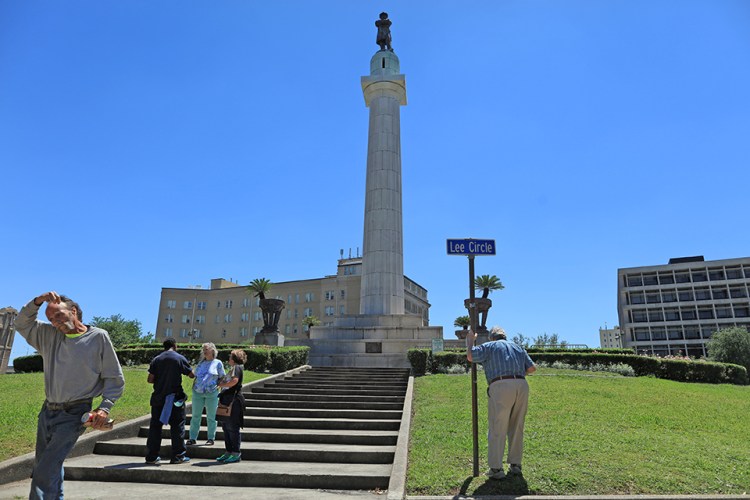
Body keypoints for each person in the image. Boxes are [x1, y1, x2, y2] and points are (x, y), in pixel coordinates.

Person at [14, 291, 125, 499]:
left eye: (59, 316)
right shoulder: (48, 336)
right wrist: (38, 301)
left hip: (75, 413)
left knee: (45, 470)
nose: (55, 323)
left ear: (73, 311)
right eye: (50, 319)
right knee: (49, 465)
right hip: (47, 411)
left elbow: (114, 376)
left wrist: (104, 406)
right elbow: (20, 323)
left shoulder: (98, 337)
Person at [467, 326, 536, 480]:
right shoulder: (518, 347)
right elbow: (532, 368)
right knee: (517, 426)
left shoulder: (489, 346)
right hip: (521, 384)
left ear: (492, 337)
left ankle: (496, 468)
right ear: (504, 336)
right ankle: (516, 465)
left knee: (498, 426)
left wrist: (470, 340)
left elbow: (471, 356)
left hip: (500, 385)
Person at [145, 338, 194, 464]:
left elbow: (150, 379)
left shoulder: (157, 359)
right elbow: (191, 374)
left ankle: (152, 456)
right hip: (175, 398)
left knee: (155, 427)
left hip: (158, 398)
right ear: (175, 345)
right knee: (177, 426)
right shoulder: (179, 358)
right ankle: (178, 456)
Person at [186, 342, 225, 446]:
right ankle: (192, 438)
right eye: (203, 350)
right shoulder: (201, 363)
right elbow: (193, 375)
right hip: (197, 392)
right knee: (195, 416)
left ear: (213, 350)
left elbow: (222, 376)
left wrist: (219, 385)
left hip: (211, 393)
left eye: (206, 349)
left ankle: (211, 438)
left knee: (211, 417)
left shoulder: (218, 363)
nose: (204, 352)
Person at [215, 349, 246, 463]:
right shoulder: (233, 369)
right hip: (227, 400)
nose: (229, 359)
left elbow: (235, 381)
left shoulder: (237, 368)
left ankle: (235, 453)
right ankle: (229, 451)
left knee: (232, 427)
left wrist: (222, 384)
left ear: (234, 359)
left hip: (234, 401)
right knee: (226, 427)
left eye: (230, 357)